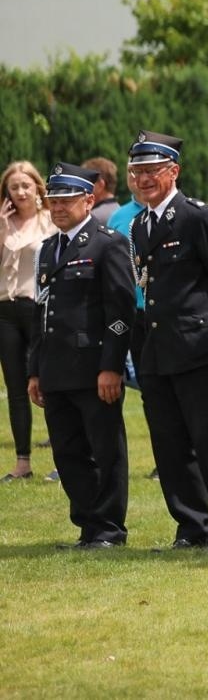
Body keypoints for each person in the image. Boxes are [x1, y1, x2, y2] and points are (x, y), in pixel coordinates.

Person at [126, 130, 208, 551]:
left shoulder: (197, 217)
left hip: (198, 347)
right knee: (170, 445)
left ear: (173, 171)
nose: (144, 179)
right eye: (137, 172)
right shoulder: (140, 225)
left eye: (152, 171)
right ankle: (191, 526)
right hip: (157, 351)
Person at [28, 164, 134, 547]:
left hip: (93, 369)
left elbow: (120, 311)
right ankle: (89, 525)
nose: (57, 208)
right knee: (67, 452)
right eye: (52, 201)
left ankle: (109, 528)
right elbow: (42, 312)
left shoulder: (107, 243)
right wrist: (34, 370)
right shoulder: (47, 249)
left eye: (66, 201)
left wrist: (111, 366)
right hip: (56, 369)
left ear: (88, 201)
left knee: (106, 450)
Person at [1, 161, 54, 481]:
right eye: (14, 187)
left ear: (37, 187)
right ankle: (23, 462)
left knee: (51, 382)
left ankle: (63, 457)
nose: (20, 192)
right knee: (16, 388)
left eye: (25, 185)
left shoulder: (49, 220)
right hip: (5, 310)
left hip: (38, 309)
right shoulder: (3, 222)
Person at [83, 157, 121, 227]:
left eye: (86, 183)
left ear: (100, 185)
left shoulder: (92, 218)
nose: (83, 189)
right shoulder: (120, 210)